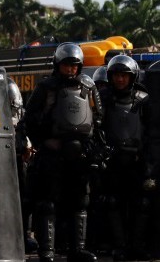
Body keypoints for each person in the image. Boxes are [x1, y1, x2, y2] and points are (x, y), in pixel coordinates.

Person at [22, 42, 104, 262]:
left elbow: (97, 118)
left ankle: (78, 249)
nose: (70, 69)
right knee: (47, 201)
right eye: (66, 65)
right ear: (58, 64)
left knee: (80, 201)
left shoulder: (88, 87)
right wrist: (45, 142)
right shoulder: (46, 87)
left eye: (74, 65)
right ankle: (47, 250)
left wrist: (92, 147)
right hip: (52, 153)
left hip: (80, 155)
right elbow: (29, 119)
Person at [99, 55, 152, 261]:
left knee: (142, 203)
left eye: (124, 76)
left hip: (137, 160)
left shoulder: (143, 99)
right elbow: (95, 127)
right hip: (112, 160)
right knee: (113, 202)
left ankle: (137, 246)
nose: (120, 80)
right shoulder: (102, 98)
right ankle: (119, 246)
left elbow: (150, 131)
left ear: (132, 77)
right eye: (116, 76)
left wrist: (148, 159)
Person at [9, 78, 37, 254]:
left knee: (25, 199)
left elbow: (27, 134)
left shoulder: (22, 115)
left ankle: (25, 235)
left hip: (19, 160)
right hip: (1, 161)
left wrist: (27, 146)